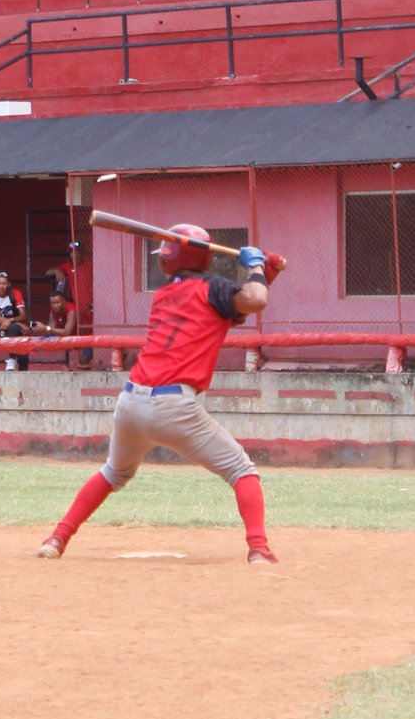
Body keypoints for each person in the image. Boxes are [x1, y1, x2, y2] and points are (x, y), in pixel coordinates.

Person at [36, 226, 284, 564]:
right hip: (173, 405)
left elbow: (238, 306)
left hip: (131, 401)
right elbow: (253, 300)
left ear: (171, 260)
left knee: (113, 473)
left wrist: (265, 275)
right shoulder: (213, 288)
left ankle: (57, 539)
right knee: (242, 470)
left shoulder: (165, 294)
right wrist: (255, 267)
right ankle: (259, 550)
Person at [46, 241, 94, 368]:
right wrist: (57, 271)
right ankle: (81, 360)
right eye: (72, 252)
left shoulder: (90, 264)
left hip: (91, 304)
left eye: (77, 252)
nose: (75, 254)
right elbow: (48, 272)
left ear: (82, 253)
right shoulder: (68, 267)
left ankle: (86, 358)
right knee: (79, 329)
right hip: (78, 306)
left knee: (90, 329)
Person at [0, 270, 29, 371]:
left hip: (14, 328)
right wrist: (20, 324)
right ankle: (12, 359)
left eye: (4, 283)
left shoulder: (15, 293)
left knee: (24, 345)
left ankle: (23, 373)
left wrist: (11, 320)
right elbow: (0, 320)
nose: (1, 286)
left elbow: (23, 315)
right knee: (15, 329)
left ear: (9, 284)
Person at [29, 291, 78, 358]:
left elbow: (67, 332)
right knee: (33, 340)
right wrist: (40, 329)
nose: (55, 306)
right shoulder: (54, 311)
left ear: (64, 301)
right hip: (62, 337)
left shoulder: (71, 310)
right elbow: (49, 330)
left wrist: (46, 328)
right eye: (53, 303)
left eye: (58, 302)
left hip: (78, 337)